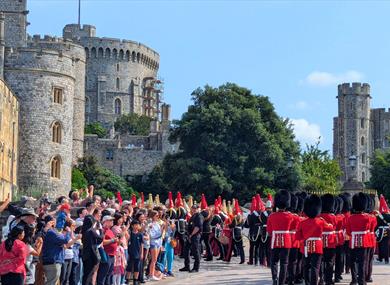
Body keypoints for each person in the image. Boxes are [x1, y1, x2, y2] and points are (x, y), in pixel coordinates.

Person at [296, 194, 328, 285]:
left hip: (305, 246)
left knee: (306, 266)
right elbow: (330, 228)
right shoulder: (321, 221)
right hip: (317, 246)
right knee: (315, 267)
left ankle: (307, 283)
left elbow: (297, 237)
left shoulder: (302, 222)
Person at [41, 215, 80, 285]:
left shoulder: (52, 232)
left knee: (54, 281)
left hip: (55, 260)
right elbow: (64, 240)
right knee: (52, 282)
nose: (56, 222)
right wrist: (68, 232)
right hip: (53, 261)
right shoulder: (51, 232)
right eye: (54, 221)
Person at [267, 190, 293, 285]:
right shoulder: (290, 216)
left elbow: (269, 231)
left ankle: (275, 279)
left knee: (273, 261)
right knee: (284, 263)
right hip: (286, 240)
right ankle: (281, 282)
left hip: (275, 240)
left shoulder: (272, 216)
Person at [345, 192, 371, 285]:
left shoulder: (350, 218)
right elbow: (369, 228)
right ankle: (362, 280)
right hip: (364, 241)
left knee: (353, 262)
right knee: (362, 262)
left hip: (353, 242)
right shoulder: (367, 217)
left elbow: (348, 232)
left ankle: (354, 280)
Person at [318, 194, 337, 285]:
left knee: (320, 261)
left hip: (320, 240)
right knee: (330, 261)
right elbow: (335, 227)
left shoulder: (319, 216)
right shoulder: (333, 216)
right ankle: (329, 279)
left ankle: (321, 278)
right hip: (330, 241)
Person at [179, 204, 204, 273]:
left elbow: (197, 227)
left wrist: (191, 235)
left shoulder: (199, 216)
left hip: (195, 235)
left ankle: (196, 268)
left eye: (195, 208)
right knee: (186, 250)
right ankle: (187, 266)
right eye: (192, 208)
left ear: (198, 209)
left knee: (195, 251)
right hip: (190, 235)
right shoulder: (193, 216)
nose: (193, 209)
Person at [97, 215, 119, 285]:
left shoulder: (109, 230)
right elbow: (102, 242)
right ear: (105, 221)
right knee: (103, 274)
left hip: (112, 254)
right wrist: (113, 240)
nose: (112, 221)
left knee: (109, 274)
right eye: (110, 220)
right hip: (106, 254)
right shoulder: (103, 230)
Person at [82, 215, 103, 285]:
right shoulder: (91, 231)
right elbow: (100, 238)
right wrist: (100, 230)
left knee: (87, 274)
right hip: (91, 254)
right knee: (89, 274)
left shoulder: (83, 229)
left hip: (85, 254)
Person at [126, 220, 144, 285]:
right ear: (132, 226)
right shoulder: (130, 234)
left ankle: (135, 280)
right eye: (135, 225)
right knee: (129, 267)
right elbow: (127, 240)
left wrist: (141, 253)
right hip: (130, 253)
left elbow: (142, 244)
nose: (137, 226)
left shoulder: (140, 234)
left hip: (138, 253)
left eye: (138, 225)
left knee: (137, 267)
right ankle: (127, 280)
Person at [147, 210, 163, 281]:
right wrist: (160, 234)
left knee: (155, 260)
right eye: (156, 215)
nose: (158, 217)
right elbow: (152, 235)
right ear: (152, 216)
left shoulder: (157, 223)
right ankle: (151, 274)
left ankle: (153, 273)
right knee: (153, 260)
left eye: (158, 215)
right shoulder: (150, 224)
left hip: (158, 243)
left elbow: (160, 234)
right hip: (153, 243)